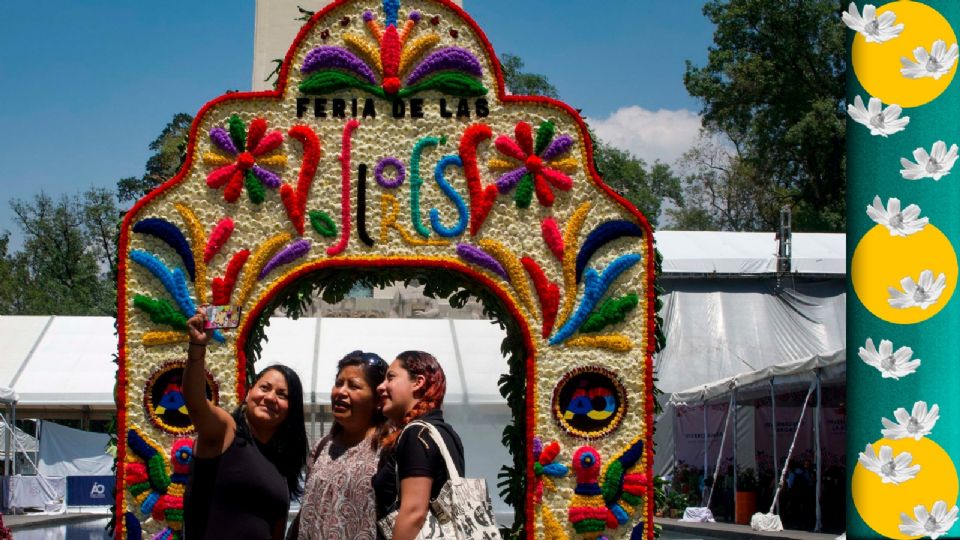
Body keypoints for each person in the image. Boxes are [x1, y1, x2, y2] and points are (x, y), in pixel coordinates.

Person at [182, 310, 308, 540]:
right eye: (265, 387)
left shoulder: (280, 466)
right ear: (249, 392)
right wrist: (197, 349)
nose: (270, 397)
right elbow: (195, 402)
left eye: (282, 394)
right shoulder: (225, 431)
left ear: (291, 409)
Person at [290, 351, 390, 540]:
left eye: (353, 386)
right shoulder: (322, 447)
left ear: (378, 400)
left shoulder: (388, 450)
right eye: (338, 383)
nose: (341, 392)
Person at [372, 350, 465, 540]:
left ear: (418, 382)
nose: (381, 387)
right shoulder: (444, 432)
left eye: (391, 378)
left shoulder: (416, 434)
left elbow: (414, 513)